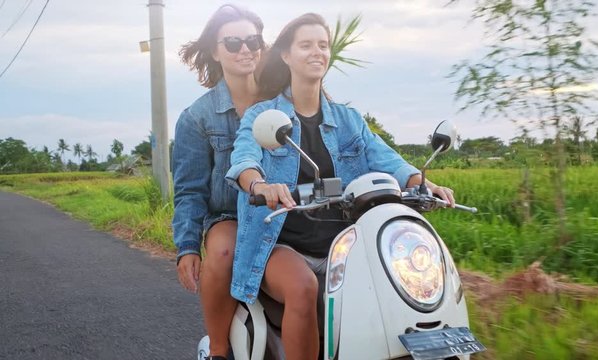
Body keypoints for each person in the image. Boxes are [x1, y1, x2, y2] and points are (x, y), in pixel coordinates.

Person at [225, 12, 456, 360]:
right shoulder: (263, 116)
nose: (316, 51)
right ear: (287, 55)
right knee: (303, 287)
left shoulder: (348, 120)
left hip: (345, 245)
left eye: (323, 45)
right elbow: (244, 159)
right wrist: (260, 186)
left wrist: (422, 182)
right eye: (306, 45)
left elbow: (387, 158)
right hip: (279, 244)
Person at [171, 4, 265, 360]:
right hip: (228, 214)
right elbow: (190, 190)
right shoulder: (197, 116)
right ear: (215, 50)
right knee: (223, 254)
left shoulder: (282, 99)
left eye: (253, 40)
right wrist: (188, 246)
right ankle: (219, 349)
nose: (245, 49)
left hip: (282, 208)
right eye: (233, 42)